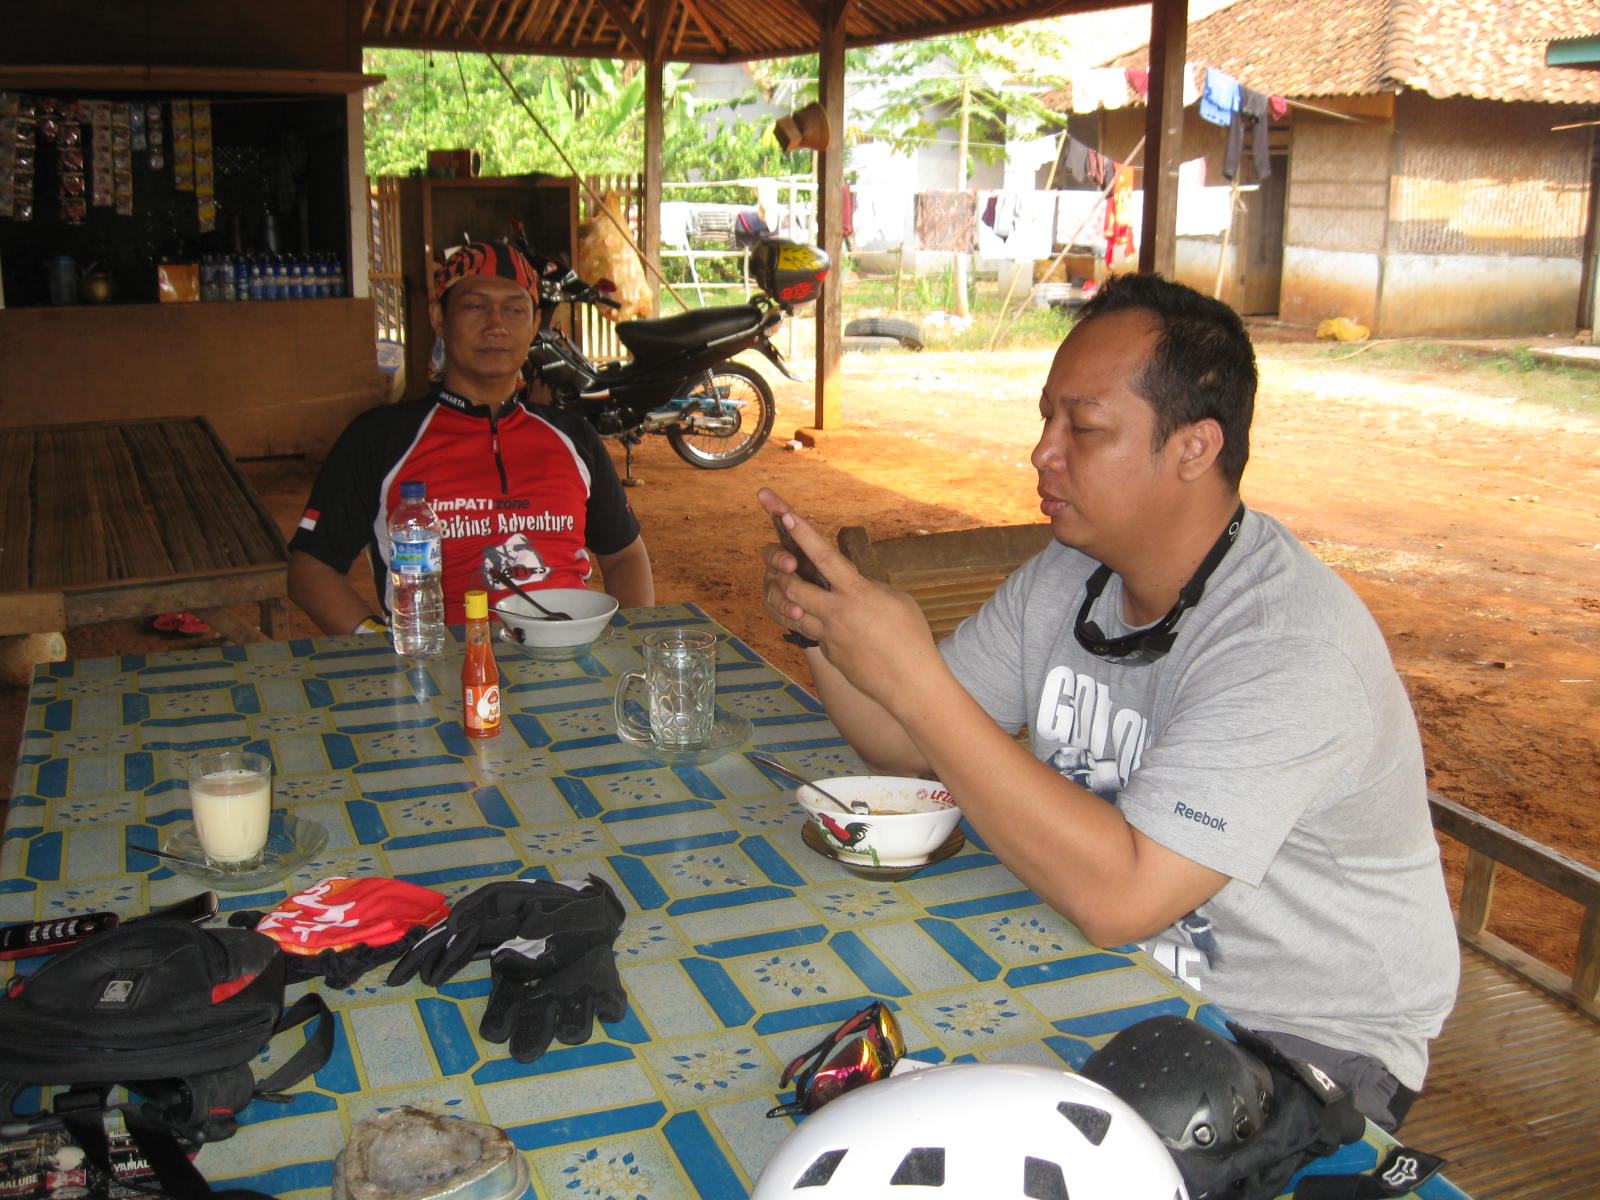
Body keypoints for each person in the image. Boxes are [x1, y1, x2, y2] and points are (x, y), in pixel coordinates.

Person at [758, 273, 1458, 1132]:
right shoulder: (1071, 573)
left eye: (1082, 427)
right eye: (1045, 419)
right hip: (1124, 967)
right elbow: (902, 746)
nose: (1041, 452)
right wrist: (820, 624)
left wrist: (914, 676)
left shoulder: (1287, 645)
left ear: (1194, 448)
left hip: (1296, 1041)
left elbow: (1120, 899)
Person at [289, 242, 653, 634]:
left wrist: (628, 643)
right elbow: (311, 569)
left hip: (567, 654)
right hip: (442, 663)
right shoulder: (380, 438)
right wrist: (379, 645)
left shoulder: (573, 435)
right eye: (475, 306)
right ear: (439, 318)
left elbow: (624, 556)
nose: (496, 325)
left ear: (534, 324)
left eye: (515, 309)